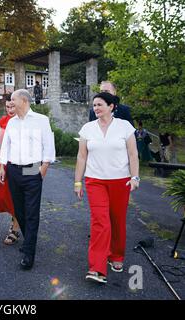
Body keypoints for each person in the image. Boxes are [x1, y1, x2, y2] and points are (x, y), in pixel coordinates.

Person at [75, 92, 139, 284]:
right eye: (94, 105)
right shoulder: (87, 128)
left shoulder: (124, 127)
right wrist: (78, 181)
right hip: (95, 181)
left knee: (117, 220)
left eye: (100, 104)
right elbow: (81, 157)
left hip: (121, 180)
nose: (96, 108)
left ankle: (116, 255)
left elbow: (133, 154)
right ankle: (96, 268)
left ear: (111, 106)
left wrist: (135, 176)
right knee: (100, 221)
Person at [0, 89, 55, 270]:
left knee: (31, 212)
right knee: (19, 211)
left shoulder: (41, 120)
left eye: (13, 99)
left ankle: (29, 252)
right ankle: (28, 240)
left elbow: (49, 145)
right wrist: (2, 167)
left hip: (32, 170)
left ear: (24, 100)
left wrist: (43, 168)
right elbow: (5, 146)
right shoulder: (11, 123)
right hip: (13, 170)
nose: (10, 103)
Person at [0, 94, 20, 245]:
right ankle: (14, 222)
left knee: (16, 196)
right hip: (3, 163)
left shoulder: (24, 121)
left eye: (12, 106)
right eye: (7, 107)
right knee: (6, 196)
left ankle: (15, 229)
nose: (10, 109)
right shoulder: (3, 121)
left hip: (19, 163)